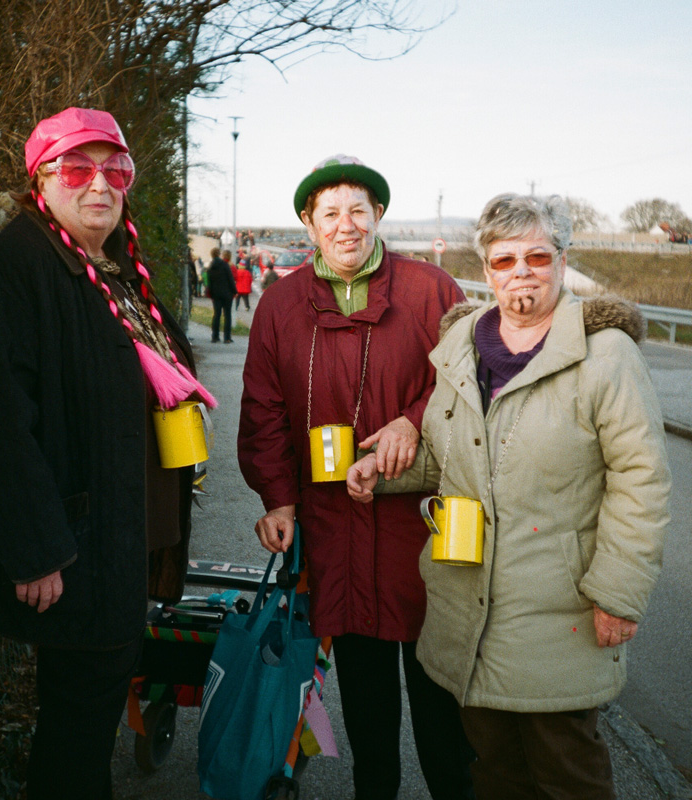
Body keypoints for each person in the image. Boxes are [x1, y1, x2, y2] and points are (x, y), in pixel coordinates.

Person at [348, 193, 671, 799]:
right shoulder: (462, 347)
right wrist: (382, 472)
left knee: (567, 776)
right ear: (487, 269)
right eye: (504, 260)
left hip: (557, 615)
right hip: (468, 608)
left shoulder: (606, 356)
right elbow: (453, 453)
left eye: (536, 257)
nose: (521, 272)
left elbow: (642, 481)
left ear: (562, 261)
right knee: (493, 775)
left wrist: (618, 593)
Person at [0, 107, 213, 799]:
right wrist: (34, 549)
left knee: (87, 714)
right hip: (76, 546)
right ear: (41, 180)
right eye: (77, 169)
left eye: (115, 169)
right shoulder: (16, 268)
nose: (99, 184)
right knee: (78, 727)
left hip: (122, 534)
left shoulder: (108, 268)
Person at [238, 155, 474, 800]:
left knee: (443, 715)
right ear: (309, 224)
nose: (346, 225)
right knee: (368, 714)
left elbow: (467, 384)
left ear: (379, 216)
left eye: (358, 211)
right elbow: (264, 409)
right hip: (335, 530)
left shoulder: (432, 291)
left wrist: (412, 422)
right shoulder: (281, 304)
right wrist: (278, 499)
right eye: (330, 213)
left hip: (422, 532)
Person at [207, 247, 236, 342]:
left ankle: (215, 336)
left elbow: (209, 282)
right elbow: (230, 279)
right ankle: (227, 337)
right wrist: (234, 291)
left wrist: (211, 293)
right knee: (227, 315)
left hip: (216, 294)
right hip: (227, 293)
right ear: (219, 254)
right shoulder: (224, 264)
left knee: (217, 315)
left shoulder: (211, 266)